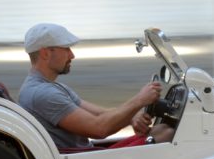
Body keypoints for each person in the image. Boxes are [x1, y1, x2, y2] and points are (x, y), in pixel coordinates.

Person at [18, 23, 174, 151]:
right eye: (66, 49)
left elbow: (100, 114)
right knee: (168, 135)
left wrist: (131, 117)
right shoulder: (43, 94)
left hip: (84, 156)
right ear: (45, 53)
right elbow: (99, 128)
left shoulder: (50, 87)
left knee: (163, 129)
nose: (72, 55)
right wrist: (139, 100)